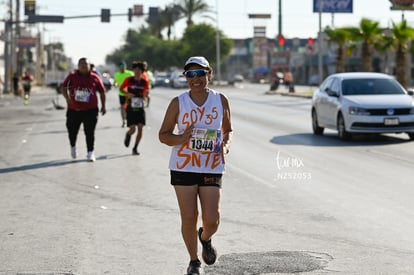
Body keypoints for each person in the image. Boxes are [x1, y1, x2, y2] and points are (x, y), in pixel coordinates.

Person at [158, 56, 233, 275]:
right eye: (190, 74)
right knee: (189, 216)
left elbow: (228, 130)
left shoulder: (220, 100)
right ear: (186, 78)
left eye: (200, 73)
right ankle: (194, 261)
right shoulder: (178, 102)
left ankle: (205, 237)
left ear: (209, 74)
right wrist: (182, 138)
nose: (195, 79)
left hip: (211, 165)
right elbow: (163, 135)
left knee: (212, 219)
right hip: (183, 166)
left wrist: (225, 146)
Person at [61, 57, 106, 162]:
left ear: (89, 66)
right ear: (78, 66)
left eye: (86, 64)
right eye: (81, 64)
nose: (84, 66)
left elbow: (102, 92)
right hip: (74, 110)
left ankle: (90, 152)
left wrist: (103, 106)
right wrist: (67, 98)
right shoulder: (72, 76)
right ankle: (73, 146)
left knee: (90, 131)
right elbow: (63, 87)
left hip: (91, 110)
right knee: (72, 131)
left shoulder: (95, 77)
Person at [120, 61, 149, 155]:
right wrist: (127, 93)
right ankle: (128, 134)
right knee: (133, 129)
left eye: (139, 70)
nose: (136, 72)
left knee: (140, 127)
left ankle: (135, 148)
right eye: (135, 70)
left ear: (142, 71)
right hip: (130, 106)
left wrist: (145, 97)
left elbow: (146, 92)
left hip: (140, 107)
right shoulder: (129, 80)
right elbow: (121, 89)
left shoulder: (144, 82)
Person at [113, 61, 133, 127]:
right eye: (121, 67)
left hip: (129, 94)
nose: (122, 68)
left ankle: (128, 119)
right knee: (122, 107)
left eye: (123, 66)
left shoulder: (130, 73)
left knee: (128, 107)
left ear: (126, 67)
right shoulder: (117, 74)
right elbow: (115, 82)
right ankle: (123, 121)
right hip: (121, 94)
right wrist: (115, 84)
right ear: (119, 67)